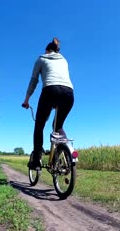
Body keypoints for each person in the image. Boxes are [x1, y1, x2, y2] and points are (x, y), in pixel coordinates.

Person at [22, 38, 74, 170]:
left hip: (50, 91)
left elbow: (34, 81)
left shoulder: (41, 59)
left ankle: (36, 159)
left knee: (39, 125)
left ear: (47, 50)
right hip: (69, 93)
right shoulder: (64, 60)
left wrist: (26, 100)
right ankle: (67, 152)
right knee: (58, 126)